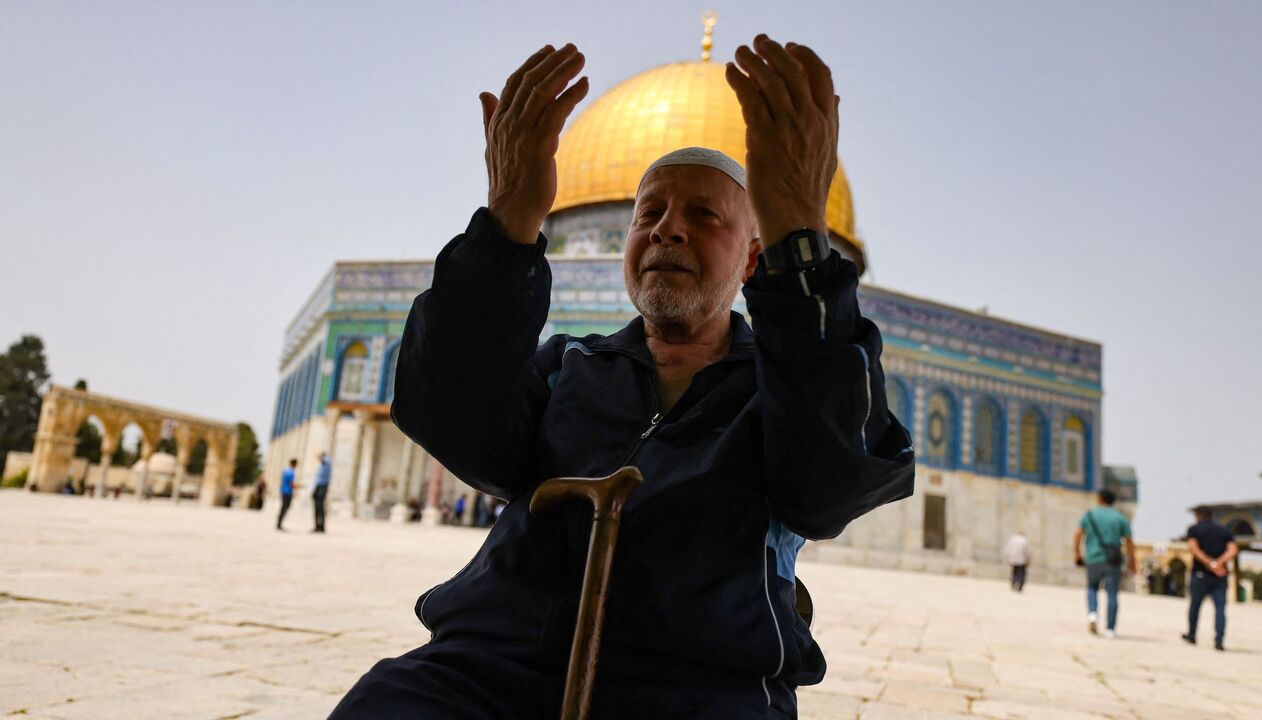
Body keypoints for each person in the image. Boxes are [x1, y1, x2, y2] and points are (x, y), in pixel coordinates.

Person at [330, 36, 915, 720]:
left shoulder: (784, 387)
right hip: (492, 668)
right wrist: (507, 226)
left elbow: (827, 487)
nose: (669, 230)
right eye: (650, 214)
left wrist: (804, 247)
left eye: (704, 215)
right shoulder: (569, 368)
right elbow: (458, 422)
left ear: (755, 257)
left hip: (700, 686)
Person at [1073, 489, 1135, 638]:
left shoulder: (1090, 515)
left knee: (1092, 588)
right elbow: (1129, 542)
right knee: (1112, 593)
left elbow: (1078, 534)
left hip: (1093, 558)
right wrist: (1132, 562)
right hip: (1113, 560)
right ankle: (1110, 629)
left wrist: (1076, 553)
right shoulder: (1120, 518)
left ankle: (1093, 614)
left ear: (1099, 499)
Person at [1181, 506, 1237, 651]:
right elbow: (1232, 549)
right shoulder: (1224, 530)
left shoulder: (1194, 529)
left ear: (1198, 515)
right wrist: (1219, 562)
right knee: (1220, 609)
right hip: (1220, 575)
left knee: (1195, 605)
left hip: (1200, 574)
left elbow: (1193, 548)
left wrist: (1209, 563)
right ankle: (1219, 640)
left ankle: (1192, 634)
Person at [312, 452, 331, 533]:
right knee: (316, 507)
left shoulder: (327, 461)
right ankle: (317, 526)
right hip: (318, 486)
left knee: (320, 507)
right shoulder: (322, 465)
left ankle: (321, 526)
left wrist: (321, 455)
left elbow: (321, 457)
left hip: (323, 486)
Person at [277, 458, 297, 531]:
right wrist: (298, 486)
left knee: (283, 507)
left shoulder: (285, 471)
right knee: (285, 508)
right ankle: (279, 524)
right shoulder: (291, 472)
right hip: (288, 492)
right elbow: (291, 483)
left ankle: (279, 523)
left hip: (283, 491)